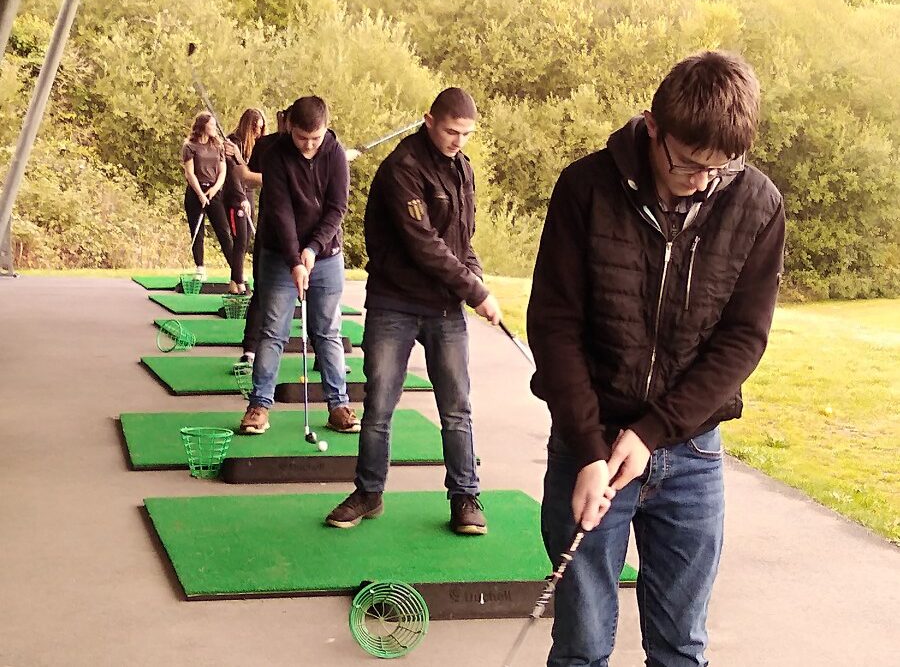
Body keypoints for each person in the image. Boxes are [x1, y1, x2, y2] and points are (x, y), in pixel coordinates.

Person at [528, 51, 785, 666]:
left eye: (718, 169)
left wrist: (653, 433)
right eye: (688, 163)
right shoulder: (586, 188)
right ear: (653, 127)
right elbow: (556, 325)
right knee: (582, 646)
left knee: (680, 647)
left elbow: (742, 340)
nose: (701, 180)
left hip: (691, 454)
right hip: (586, 443)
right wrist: (591, 449)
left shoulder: (756, 204)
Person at [325, 87, 502, 536]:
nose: (458, 140)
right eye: (450, 130)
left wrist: (477, 280)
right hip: (395, 301)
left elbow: (462, 242)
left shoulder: (463, 169)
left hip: (443, 307)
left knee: (457, 407)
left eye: (465, 133)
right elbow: (426, 245)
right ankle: (369, 492)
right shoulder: (400, 169)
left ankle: (465, 496)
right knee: (380, 404)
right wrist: (476, 292)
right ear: (428, 120)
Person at [238, 96, 360, 435]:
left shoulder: (335, 154)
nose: (308, 146)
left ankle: (339, 406)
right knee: (273, 332)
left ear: (325, 128)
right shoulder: (275, 154)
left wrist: (313, 249)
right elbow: (280, 211)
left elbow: (337, 208)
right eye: (302, 138)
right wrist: (295, 259)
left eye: (315, 139)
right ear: (290, 126)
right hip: (280, 256)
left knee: (328, 332)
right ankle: (259, 405)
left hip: (327, 256)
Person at [181, 111, 232, 280]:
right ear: (203, 126)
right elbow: (190, 173)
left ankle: (235, 268)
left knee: (223, 230)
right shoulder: (190, 146)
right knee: (197, 230)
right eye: (211, 124)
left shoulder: (218, 146)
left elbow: (223, 170)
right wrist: (201, 195)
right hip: (196, 192)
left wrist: (215, 189)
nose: (214, 127)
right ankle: (200, 267)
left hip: (214, 192)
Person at [222, 108, 266, 294]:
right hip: (235, 197)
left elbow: (251, 171)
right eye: (256, 128)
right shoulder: (233, 142)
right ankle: (236, 282)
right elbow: (234, 175)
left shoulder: (255, 145)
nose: (259, 132)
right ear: (249, 126)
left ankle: (238, 279)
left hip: (249, 195)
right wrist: (241, 199)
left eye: (261, 129)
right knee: (239, 240)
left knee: (246, 240)